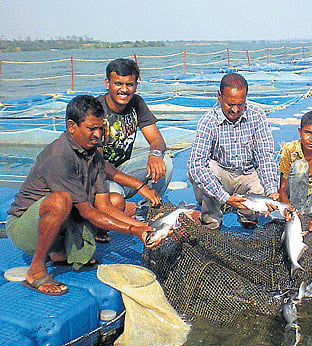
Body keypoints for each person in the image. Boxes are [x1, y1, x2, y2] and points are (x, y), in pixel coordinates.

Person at [5, 95, 160, 296]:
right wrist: (133, 230)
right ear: (71, 126)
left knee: (115, 200)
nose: (98, 135)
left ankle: (60, 253)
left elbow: (104, 206)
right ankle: (35, 270)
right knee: (62, 201)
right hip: (24, 228)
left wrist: (142, 227)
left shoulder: (93, 154)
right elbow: (88, 212)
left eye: (100, 128)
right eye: (91, 129)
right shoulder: (59, 157)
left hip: (62, 223)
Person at [187, 73, 279, 230]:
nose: (235, 110)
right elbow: (196, 166)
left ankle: (247, 214)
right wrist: (225, 198)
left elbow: (265, 157)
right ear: (219, 97)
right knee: (206, 169)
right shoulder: (208, 121)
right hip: (222, 176)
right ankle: (212, 218)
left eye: (241, 104)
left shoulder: (257, 116)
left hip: (246, 174)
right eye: (230, 104)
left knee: (262, 182)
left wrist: (271, 191)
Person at [97, 58, 173, 206]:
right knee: (114, 200)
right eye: (118, 84)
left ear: (136, 85)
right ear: (107, 83)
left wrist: (155, 154)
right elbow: (98, 165)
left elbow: (156, 139)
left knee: (165, 161)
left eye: (129, 84)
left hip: (121, 169)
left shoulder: (137, 103)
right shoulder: (96, 110)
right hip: (99, 177)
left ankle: (147, 212)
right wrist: (139, 186)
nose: (124, 90)